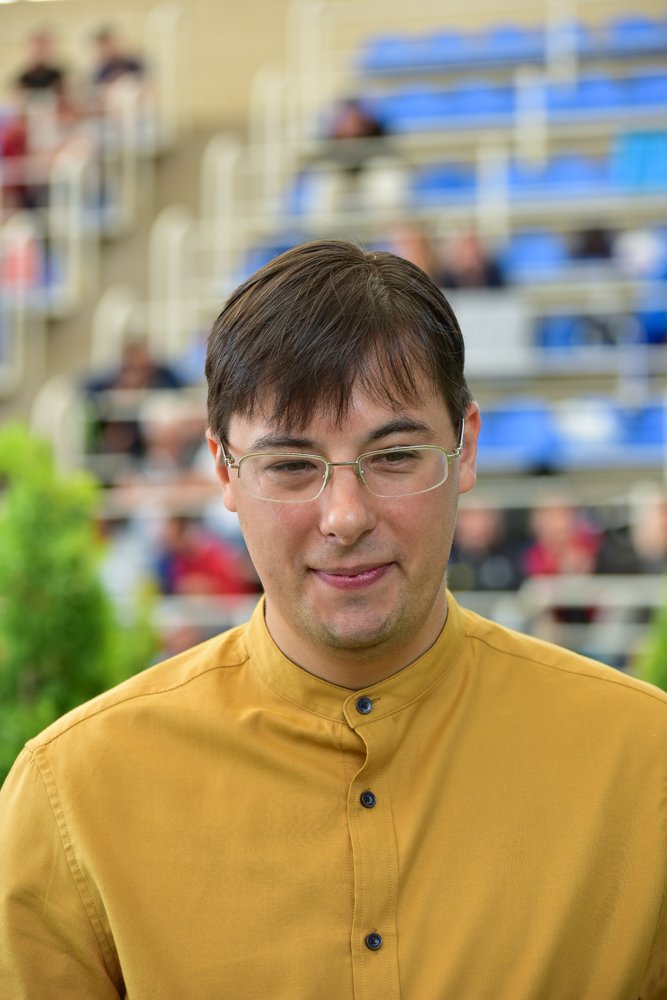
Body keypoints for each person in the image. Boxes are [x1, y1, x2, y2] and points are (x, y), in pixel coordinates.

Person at [0, 240, 665, 999]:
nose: (345, 517)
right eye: (291, 466)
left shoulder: (642, 765)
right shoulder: (74, 794)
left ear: (466, 445)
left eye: (394, 456)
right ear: (222, 470)